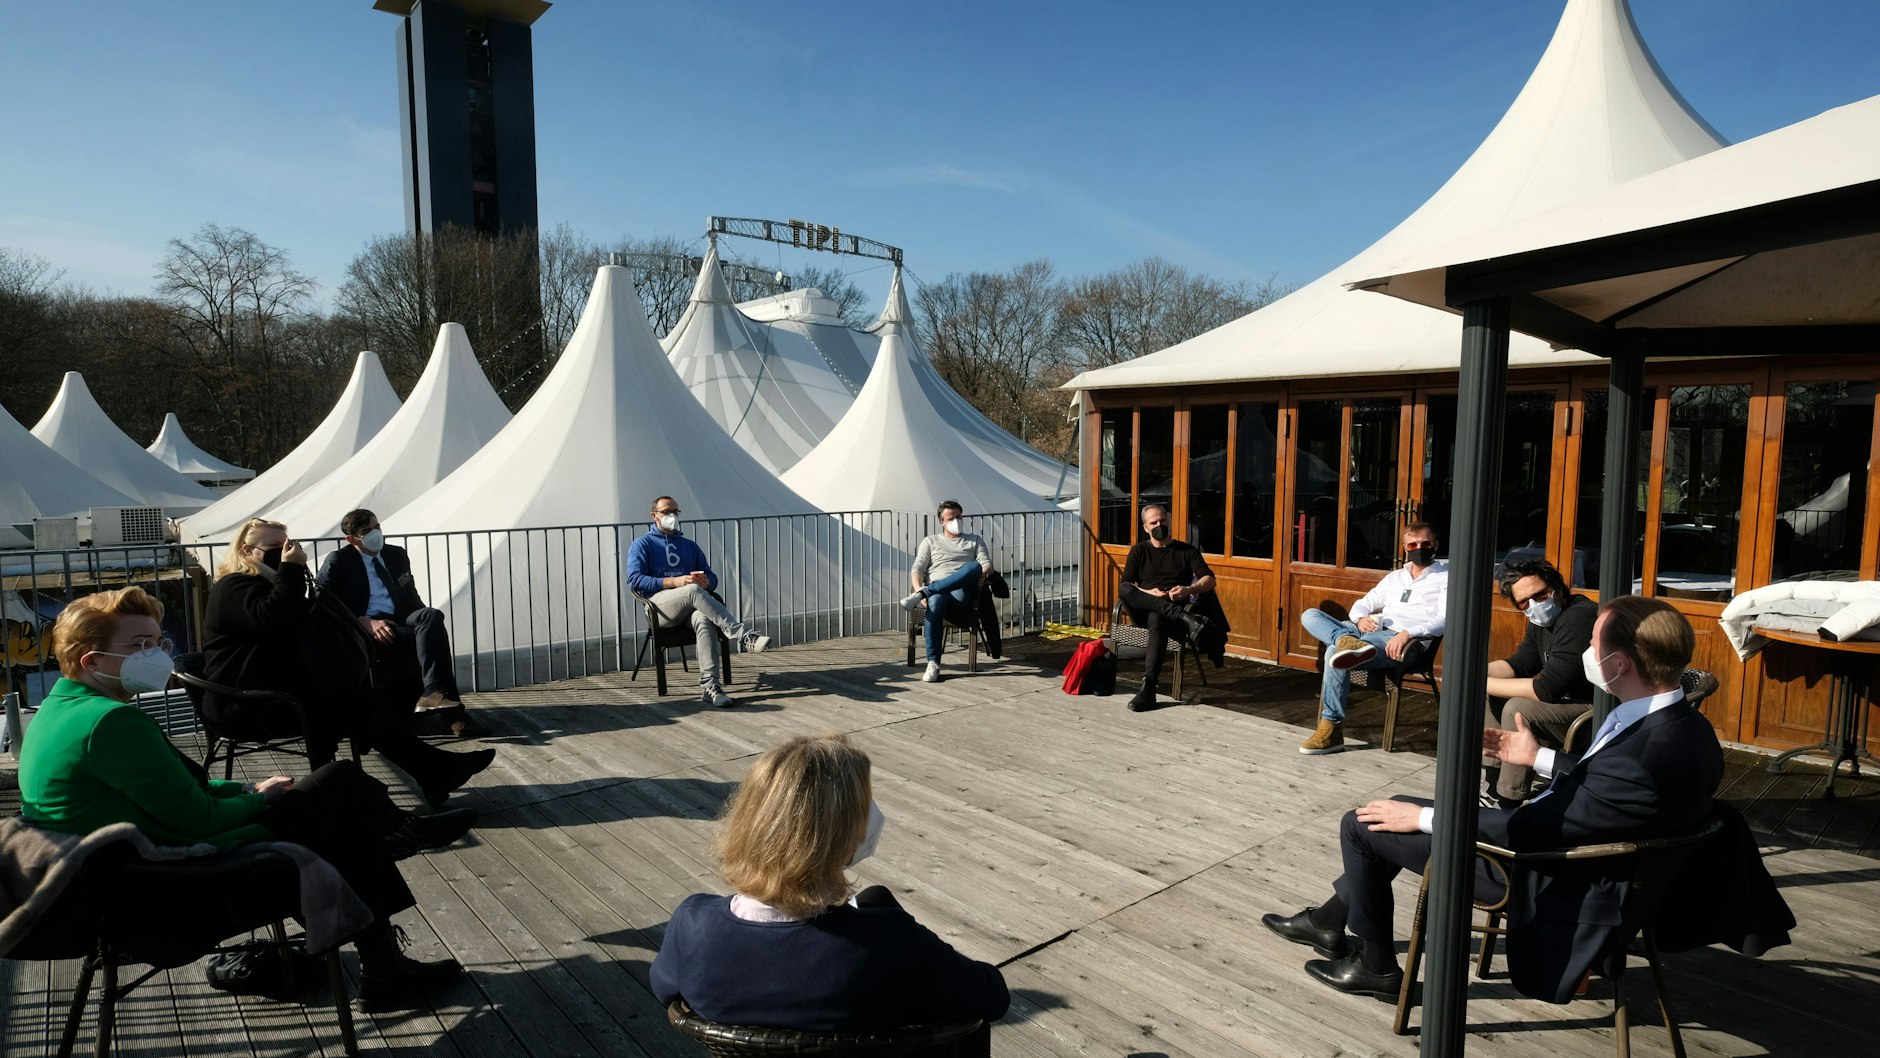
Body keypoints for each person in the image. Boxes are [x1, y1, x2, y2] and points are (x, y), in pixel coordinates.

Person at [18, 586, 479, 1012]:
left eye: (159, 643)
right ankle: (395, 850)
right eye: (140, 645)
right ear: (90, 659)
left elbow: (170, 794)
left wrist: (244, 788)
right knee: (339, 791)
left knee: (337, 805)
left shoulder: (61, 711)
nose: (157, 655)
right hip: (171, 885)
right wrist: (259, 803)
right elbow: (198, 821)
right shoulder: (111, 724)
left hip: (121, 877)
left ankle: (391, 875)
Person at [1261, 596, 1723, 1003]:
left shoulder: (1641, 756)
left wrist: (1425, 817)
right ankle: (1327, 921)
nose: (1586, 654)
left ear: (1620, 664)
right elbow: (1605, 794)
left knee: (1361, 823)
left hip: (1545, 874)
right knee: (1391, 809)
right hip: (1584, 855)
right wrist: (1539, 757)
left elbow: (1533, 828)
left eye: (1593, 646)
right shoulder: (1684, 726)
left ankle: (1376, 967)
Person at [651, 733, 1008, 1045]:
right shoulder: (889, 942)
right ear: (844, 835)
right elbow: (992, 997)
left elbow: (664, 987)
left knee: (873, 900)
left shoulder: (693, 924)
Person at [204, 519, 494, 807]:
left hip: (275, 691)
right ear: (246, 550)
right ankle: (392, 779)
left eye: (289, 546)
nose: (285, 553)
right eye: (275, 547)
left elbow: (299, 618)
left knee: (359, 699)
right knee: (352, 703)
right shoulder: (234, 587)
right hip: (247, 703)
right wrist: (291, 569)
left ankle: (423, 773)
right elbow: (275, 619)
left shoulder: (268, 585)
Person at [316, 508, 482, 737]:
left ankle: (434, 692)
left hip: (400, 618)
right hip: (364, 626)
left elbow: (410, 595)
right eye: (367, 531)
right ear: (351, 538)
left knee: (432, 617)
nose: (376, 534)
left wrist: (426, 625)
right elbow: (322, 600)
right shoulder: (340, 560)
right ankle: (454, 716)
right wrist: (364, 621)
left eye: (377, 527)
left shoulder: (396, 554)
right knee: (435, 640)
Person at [1296, 522, 1448, 754]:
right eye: (1413, 544)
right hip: (1370, 631)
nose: (1420, 548)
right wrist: (1359, 619)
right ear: (1405, 547)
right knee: (1310, 615)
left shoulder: (1446, 577)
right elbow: (1364, 603)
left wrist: (1409, 633)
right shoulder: (1395, 577)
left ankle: (1331, 728)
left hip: (1404, 642)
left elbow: (1445, 619)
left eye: (1425, 543)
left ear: (1435, 544)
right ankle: (1347, 641)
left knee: (1333, 653)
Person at [625, 496, 771, 709]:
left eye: (676, 511)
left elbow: (712, 578)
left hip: (691, 607)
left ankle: (710, 686)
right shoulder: (642, 544)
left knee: (703, 618)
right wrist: (674, 582)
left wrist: (706, 581)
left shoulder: (689, 546)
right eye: (666, 512)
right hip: (660, 608)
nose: (672, 516)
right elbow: (635, 581)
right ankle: (743, 634)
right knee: (691, 590)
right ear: (654, 515)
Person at [1482, 559, 1596, 807]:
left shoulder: (1578, 617)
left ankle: (1508, 799)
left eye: (1540, 595)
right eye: (1523, 602)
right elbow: (1519, 664)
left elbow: (1547, 688)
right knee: (1487, 693)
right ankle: (1494, 779)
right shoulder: (1540, 622)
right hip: (1568, 704)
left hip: (1597, 712)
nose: (1533, 605)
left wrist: (1475, 683)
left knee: (1517, 709)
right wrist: (1469, 674)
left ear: (1557, 589)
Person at [1116, 503, 1214, 712]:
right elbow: (1127, 584)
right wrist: (1148, 593)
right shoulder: (1139, 550)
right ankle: (1184, 617)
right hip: (1144, 609)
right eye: (1154, 522)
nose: (1159, 525)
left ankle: (1148, 688)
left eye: (1163, 521)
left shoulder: (1186, 551)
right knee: (1124, 589)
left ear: (1168, 522)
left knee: (1157, 617)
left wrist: (1188, 589)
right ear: (1145, 528)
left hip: (1167, 617)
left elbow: (1209, 579)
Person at [902, 500, 993, 684]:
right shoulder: (930, 541)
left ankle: (923, 595)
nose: (956, 521)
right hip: (938, 590)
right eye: (951, 518)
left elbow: (986, 564)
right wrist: (919, 587)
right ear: (942, 521)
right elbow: (918, 568)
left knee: (974, 566)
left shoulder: (974, 540)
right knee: (935, 602)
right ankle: (933, 663)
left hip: (962, 592)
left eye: (959, 517)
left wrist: (984, 573)